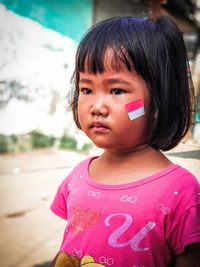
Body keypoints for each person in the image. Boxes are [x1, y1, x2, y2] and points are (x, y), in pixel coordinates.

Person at [50, 16, 200, 267]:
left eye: (117, 90)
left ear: (159, 101)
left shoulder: (181, 192)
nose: (97, 107)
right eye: (86, 89)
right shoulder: (77, 176)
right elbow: (70, 248)